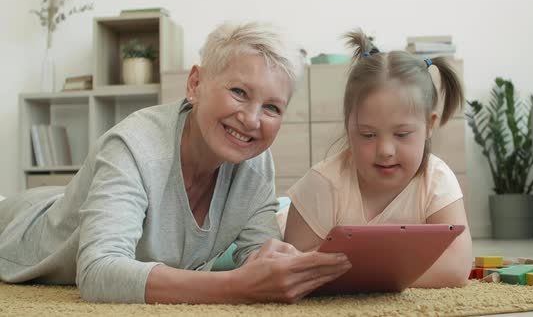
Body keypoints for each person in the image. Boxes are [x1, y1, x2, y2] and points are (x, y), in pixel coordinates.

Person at [0, 21, 351, 304]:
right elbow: (97, 272)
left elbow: (257, 252)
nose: (251, 119)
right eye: (239, 92)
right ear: (195, 83)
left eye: (272, 107)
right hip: (16, 228)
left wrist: (282, 265)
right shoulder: (134, 146)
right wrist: (233, 287)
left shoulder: (255, 165)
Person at [282, 29, 472, 288]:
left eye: (402, 134)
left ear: (430, 125)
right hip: (286, 218)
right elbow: (294, 269)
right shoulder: (322, 184)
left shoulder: (436, 180)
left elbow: (456, 267)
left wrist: (366, 278)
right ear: (349, 127)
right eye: (368, 134)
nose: (385, 150)